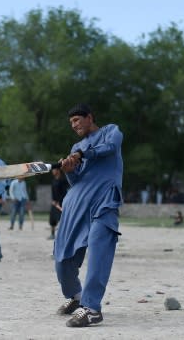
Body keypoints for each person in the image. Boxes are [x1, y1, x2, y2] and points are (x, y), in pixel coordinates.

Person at [54, 103, 123, 327]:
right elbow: (78, 180)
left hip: (104, 202)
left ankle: (92, 308)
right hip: (75, 206)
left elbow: (109, 148)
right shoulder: (76, 146)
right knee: (62, 258)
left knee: (98, 251)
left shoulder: (110, 131)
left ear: (90, 117)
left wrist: (83, 154)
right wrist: (70, 170)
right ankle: (76, 297)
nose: (74, 125)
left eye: (77, 120)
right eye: (71, 122)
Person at [48, 168, 69, 240]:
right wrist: (53, 200)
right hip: (54, 203)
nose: (52, 171)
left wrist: (59, 201)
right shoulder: (53, 180)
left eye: (54, 170)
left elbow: (64, 192)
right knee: (52, 219)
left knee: (62, 219)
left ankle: (64, 235)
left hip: (61, 203)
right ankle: (52, 234)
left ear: (58, 170)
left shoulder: (63, 180)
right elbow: (53, 192)